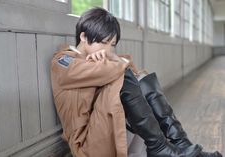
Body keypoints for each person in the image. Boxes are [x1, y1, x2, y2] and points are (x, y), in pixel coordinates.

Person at [50, 7, 222, 157]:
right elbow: (120, 71)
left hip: (110, 132)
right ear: (84, 37)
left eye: (112, 45)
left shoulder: (98, 61)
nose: (108, 50)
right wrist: (115, 60)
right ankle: (160, 147)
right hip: (88, 146)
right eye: (104, 43)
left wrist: (114, 59)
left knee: (140, 79)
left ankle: (181, 144)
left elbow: (134, 73)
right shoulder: (64, 61)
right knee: (123, 76)